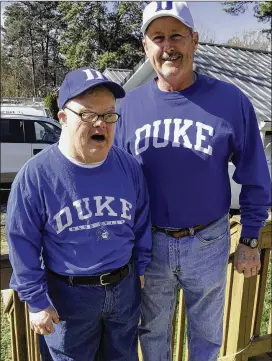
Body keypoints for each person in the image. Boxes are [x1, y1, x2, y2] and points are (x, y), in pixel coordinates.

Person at [114, 2, 271, 361]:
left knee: (207, 333)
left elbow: (255, 175)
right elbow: (113, 181)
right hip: (149, 243)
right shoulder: (127, 107)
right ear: (145, 47)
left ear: (194, 41)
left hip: (208, 239)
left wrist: (249, 238)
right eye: (157, 37)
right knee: (151, 330)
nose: (168, 46)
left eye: (176, 36)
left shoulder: (230, 101)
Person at [6, 67, 152, 361]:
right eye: (88, 114)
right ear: (62, 118)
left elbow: (141, 221)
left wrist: (141, 268)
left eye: (109, 115)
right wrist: (36, 302)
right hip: (69, 297)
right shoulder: (36, 176)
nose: (101, 123)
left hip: (123, 288)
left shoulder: (129, 167)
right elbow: (22, 243)